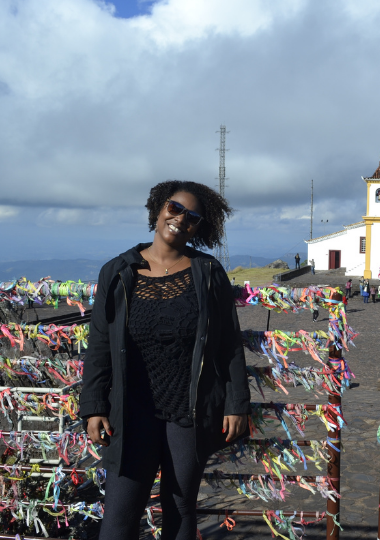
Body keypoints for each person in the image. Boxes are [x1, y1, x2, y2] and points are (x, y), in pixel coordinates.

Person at [80, 180, 251, 540]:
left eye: (193, 217)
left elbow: (229, 344)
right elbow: (98, 346)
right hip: (130, 409)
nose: (180, 219)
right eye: (175, 208)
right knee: (120, 515)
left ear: (199, 228)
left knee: (180, 508)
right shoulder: (117, 272)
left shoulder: (208, 273)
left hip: (189, 410)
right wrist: (94, 405)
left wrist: (237, 404)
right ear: (158, 208)